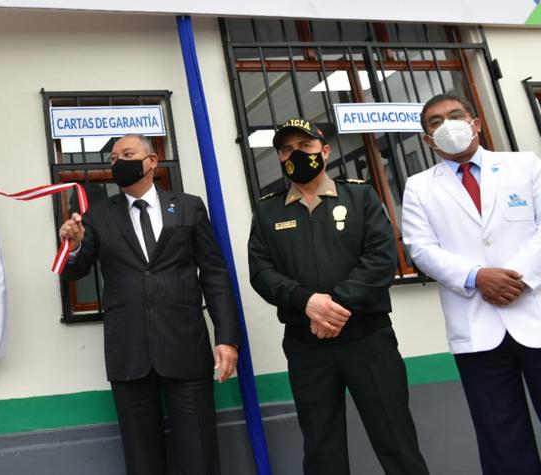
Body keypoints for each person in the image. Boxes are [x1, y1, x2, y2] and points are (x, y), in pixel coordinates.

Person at [248, 117, 429, 475]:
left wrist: (337, 305)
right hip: (306, 345)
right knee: (321, 448)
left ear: (324, 151)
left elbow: (381, 258)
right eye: (286, 149)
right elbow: (262, 272)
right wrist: (306, 302)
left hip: (368, 339)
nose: (296, 154)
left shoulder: (360, 196)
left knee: (396, 441)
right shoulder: (268, 211)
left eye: (305, 146)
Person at [59, 133, 240, 475]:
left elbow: (214, 274)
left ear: (152, 160)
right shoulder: (98, 215)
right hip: (129, 351)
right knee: (142, 461)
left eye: (127, 153)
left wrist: (226, 338)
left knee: (200, 455)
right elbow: (76, 270)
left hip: (186, 347)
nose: (118, 162)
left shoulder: (188, 206)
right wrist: (74, 245)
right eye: (112, 159)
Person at [402, 93, 541, 475]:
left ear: (476, 123)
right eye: (435, 123)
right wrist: (477, 277)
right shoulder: (418, 188)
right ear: (428, 140)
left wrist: (517, 279)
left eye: (455, 115)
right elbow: (421, 248)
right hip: (476, 327)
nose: (447, 125)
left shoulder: (523, 165)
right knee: (501, 436)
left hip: (535, 315)